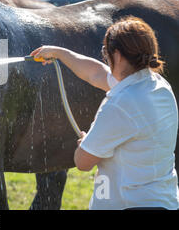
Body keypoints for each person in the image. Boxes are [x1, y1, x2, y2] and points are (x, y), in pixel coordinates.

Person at [30, 16, 179, 210]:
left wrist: (86, 143)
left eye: (105, 52)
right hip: (164, 202)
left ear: (117, 55)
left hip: (129, 205)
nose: (105, 58)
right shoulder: (157, 85)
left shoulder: (120, 103)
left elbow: (83, 162)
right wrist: (59, 53)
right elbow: (96, 73)